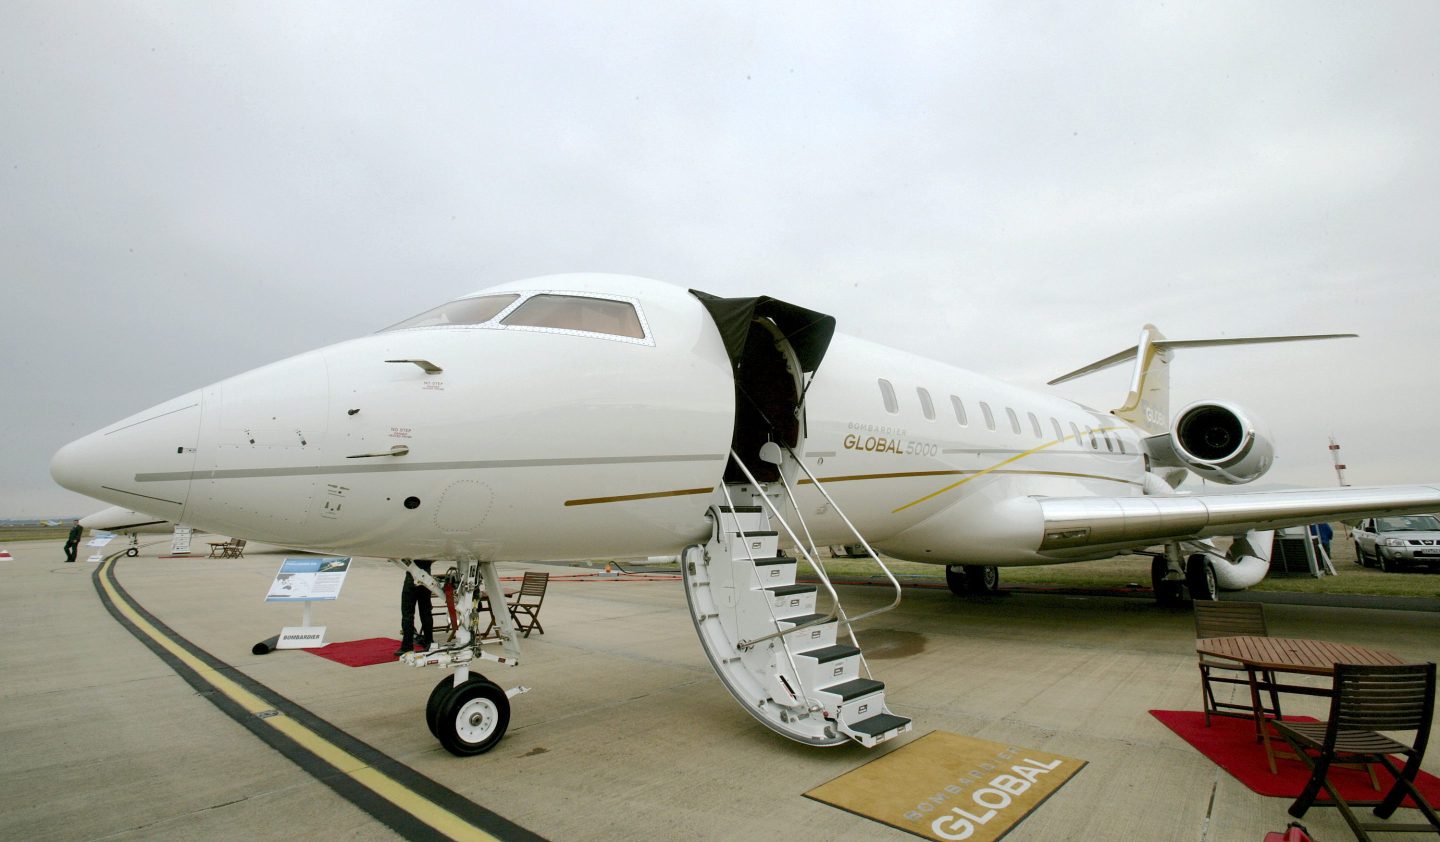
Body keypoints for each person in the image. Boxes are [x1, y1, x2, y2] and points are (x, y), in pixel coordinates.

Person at [395, 559, 435, 656]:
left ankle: (407, 646)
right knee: (426, 613)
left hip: (412, 577)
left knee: (407, 614)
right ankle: (429, 641)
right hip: (426, 577)